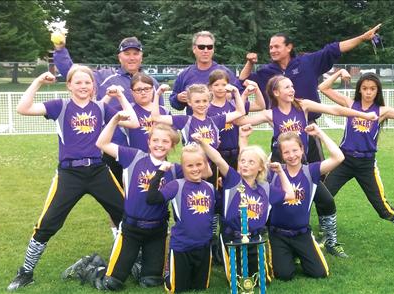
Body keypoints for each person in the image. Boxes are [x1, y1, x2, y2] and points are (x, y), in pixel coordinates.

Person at [7, 65, 139, 291]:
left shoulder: (101, 107)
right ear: (69, 85)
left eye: (87, 82)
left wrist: (122, 97)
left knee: (127, 214)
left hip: (98, 170)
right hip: (69, 174)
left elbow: (134, 123)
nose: (83, 86)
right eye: (77, 82)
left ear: (93, 86)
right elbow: (23, 108)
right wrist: (38, 81)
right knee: (47, 223)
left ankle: (135, 260)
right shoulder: (60, 106)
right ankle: (26, 272)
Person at [236, 75, 378, 257]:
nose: (292, 90)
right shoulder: (270, 114)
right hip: (279, 170)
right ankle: (272, 243)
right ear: (276, 92)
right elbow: (239, 120)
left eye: (292, 86)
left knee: (326, 201)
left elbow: (334, 109)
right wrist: (247, 93)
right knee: (275, 205)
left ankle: (331, 241)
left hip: (302, 168)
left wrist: (363, 114)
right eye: (287, 87)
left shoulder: (302, 106)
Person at [60, 113, 182, 290]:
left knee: (151, 282)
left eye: (165, 142)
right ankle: (89, 266)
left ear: (172, 146)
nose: (159, 145)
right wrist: (115, 120)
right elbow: (101, 143)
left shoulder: (174, 170)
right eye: (155, 140)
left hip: (157, 231)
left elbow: (203, 171)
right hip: (131, 230)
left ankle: (135, 264)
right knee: (112, 284)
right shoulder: (133, 157)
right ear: (148, 142)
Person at [239, 24, 381, 164]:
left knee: (316, 173)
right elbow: (243, 81)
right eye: (270, 47)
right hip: (281, 132)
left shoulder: (306, 62)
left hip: (309, 129)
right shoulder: (267, 72)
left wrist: (362, 38)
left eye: (277, 46)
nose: (272, 50)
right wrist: (250, 63)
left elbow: (334, 49)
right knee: (280, 177)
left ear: (289, 47)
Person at [319, 69, 394, 246]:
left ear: (377, 91)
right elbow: (323, 88)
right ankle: (327, 234)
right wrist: (340, 72)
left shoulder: (382, 111)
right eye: (365, 88)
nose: (368, 92)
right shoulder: (350, 104)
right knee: (324, 196)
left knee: (381, 208)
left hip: (366, 165)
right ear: (359, 89)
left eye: (372, 89)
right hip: (344, 160)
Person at [54, 35, 162, 189]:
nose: (132, 57)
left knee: (145, 194)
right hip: (115, 150)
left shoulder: (152, 83)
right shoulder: (104, 78)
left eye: (136, 53)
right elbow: (71, 72)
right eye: (127, 53)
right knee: (117, 198)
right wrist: (60, 50)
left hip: (145, 151)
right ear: (119, 57)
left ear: (141, 56)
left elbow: (158, 118)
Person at [191, 130, 296, 284]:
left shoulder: (265, 188)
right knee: (237, 280)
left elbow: (290, 194)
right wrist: (202, 143)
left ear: (260, 167)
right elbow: (218, 160)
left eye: (251, 162)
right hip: (231, 239)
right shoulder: (233, 179)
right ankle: (223, 256)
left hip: (254, 239)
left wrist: (280, 171)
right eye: (242, 161)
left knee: (262, 281)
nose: (245, 164)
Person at [268, 124, 344, 280]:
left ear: (302, 150)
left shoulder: (311, 171)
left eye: (295, 150)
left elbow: (339, 157)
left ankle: (300, 250)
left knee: (319, 273)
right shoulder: (274, 172)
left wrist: (319, 133)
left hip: (302, 233)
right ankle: (286, 253)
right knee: (284, 275)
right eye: (286, 152)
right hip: (278, 234)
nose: (292, 155)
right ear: (282, 155)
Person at [146, 144, 218, 293]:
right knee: (177, 288)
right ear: (183, 167)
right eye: (189, 165)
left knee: (200, 287)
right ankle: (168, 271)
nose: (195, 169)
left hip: (203, 247)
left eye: (199, 164)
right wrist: (160, 172)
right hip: (182, 247)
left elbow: (221, 209)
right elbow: (152, 198)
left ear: (205, 164)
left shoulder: (210, 188)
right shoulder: (176, 186)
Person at [152, 83, 245, 187]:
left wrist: (236, 92)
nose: (201, 104)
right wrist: (157, 94)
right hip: (192, 169)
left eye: (205, 101)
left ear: (209, 102)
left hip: (213, 168)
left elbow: (240, 112)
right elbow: (156, 117)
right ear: (189, 102)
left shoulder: (215, 121)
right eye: (197, 101)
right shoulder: (185, 121)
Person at [169, 31, 243, 115]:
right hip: (196, 126)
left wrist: (229, 96)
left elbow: (241, 96)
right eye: (201, 47)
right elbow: (174, 103)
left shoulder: (225, 72)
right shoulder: (185, 75)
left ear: (213, 49)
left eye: (209, 47)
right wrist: (178, 98)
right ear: (194, 49)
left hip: (223, 125)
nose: (206, 50)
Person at [207, 69, 266, 168]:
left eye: (224, 84)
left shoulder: (235, 105)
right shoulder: (207, 109)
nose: (220, 88)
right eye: (216, 85)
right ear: (210, 87)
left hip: (236, 152)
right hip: (218, 154)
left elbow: (260, 106)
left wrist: (256, 89)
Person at [105, 72, 171, 152]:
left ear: (153, 89)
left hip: (160, 156)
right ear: (132, 92)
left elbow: (173, 136)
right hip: (134, 157)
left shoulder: (164, 111)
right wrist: (109, 95)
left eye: (147, 89)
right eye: (138, 90)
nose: (143, 92)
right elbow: (101, 111)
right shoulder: (127, 110)